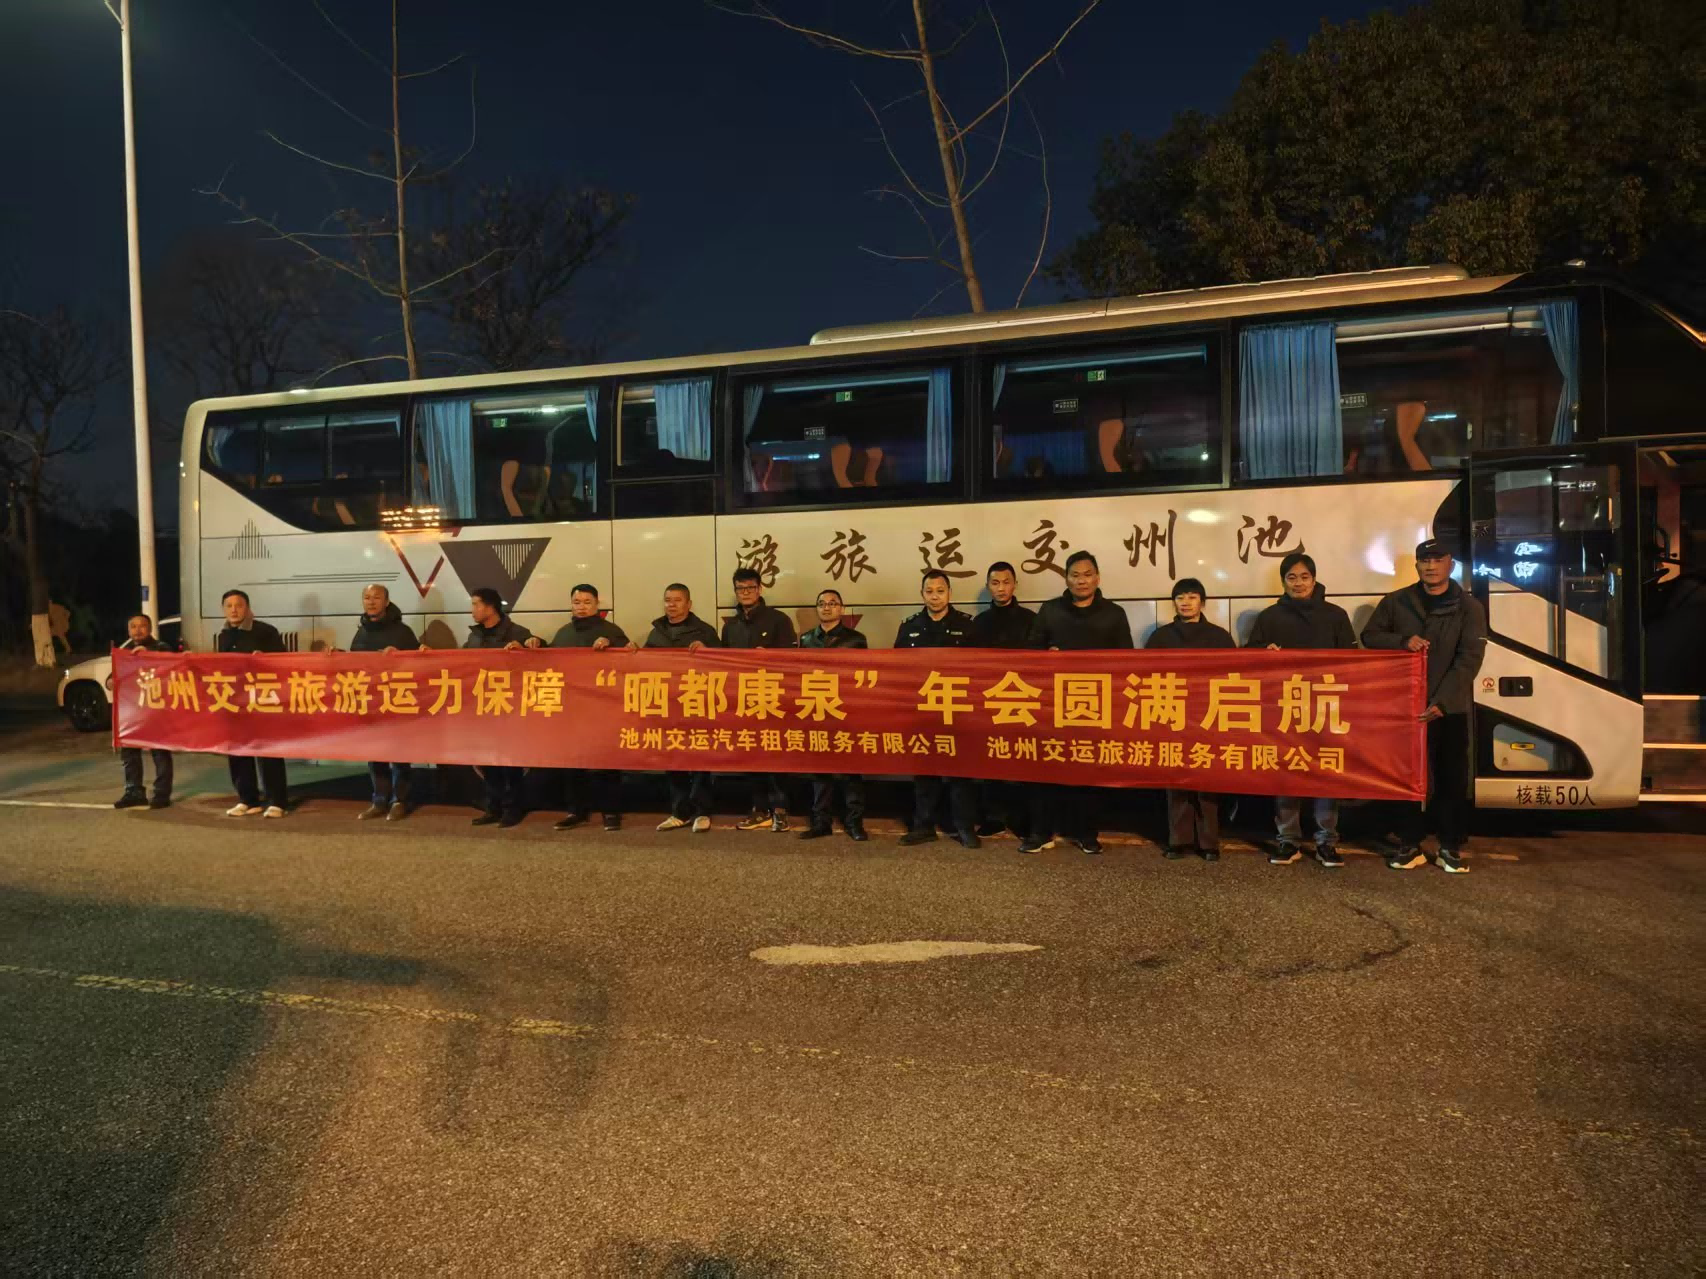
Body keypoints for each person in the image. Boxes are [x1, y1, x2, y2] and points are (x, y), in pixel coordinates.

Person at [1361, 538, 1487, 874]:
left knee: (1451, 779)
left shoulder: (1469, 607)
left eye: (1437, 559)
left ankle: (1449, 846)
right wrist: (1402, 641)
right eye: (1424, 560)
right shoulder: (1397, 601)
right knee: (1407, 777)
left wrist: (1442, 701)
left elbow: (1469, 659)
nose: (1430, 566)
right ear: (1416, 566)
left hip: (1449, 709)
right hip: (1405, 709)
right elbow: (1370, 636)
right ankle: (1409, 843)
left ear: (1450, 564)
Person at [1246, 551, 1359, 868]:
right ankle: (1288, 840)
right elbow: (1250, 655)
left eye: (1304, 577)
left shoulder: (1335, 615)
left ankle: (1326, 842)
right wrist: (1264, 651)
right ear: (1283, 582)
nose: (1298, 583)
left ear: (1314, 579)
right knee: (1287, 772)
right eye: (1291, 577)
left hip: (1326, 706)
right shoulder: (1270, 617)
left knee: (1326, 773)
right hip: (1285, 707)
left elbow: (1354, 661)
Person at [1023, 550, 1134, 855]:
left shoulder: (1114, 614)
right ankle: (1041, 832)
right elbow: (1030, 654)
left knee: (1088, 770)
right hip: (1053, 704)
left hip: (1094, 704)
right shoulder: (1050, 611)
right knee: (1046, 768)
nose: (1081, 581)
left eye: (1087, 575)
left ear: (1097, 578)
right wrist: (1046, 656)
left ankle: (1086, 833)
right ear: (1066, 578)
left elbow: (1126, 660)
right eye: (1075, 575)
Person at [1146, 577, 1236, 861]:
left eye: (1192, 597)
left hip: (1209, 715)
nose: (1185, 602)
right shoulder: (1160, 637)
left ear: (1202, 602)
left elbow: (1235, 675)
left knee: (1207, 779)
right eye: (1180, 597)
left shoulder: (1219, 637)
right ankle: (1178, 840)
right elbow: (1146, 674)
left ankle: (1209, 842)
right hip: (1172, 715)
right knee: (1175, 779)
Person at [894, 570, 979, 848]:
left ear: (949, 593)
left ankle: (964, 827)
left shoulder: (967, 626)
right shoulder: (909, 627)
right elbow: (896, 667)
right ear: (922, 594)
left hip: (957, 708)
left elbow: (981, 668)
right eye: (929, 591)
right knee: (924, 770)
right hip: (923, 709)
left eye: (940, 591)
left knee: (960, 772)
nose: (935, 596)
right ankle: (923, 826)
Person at [538, 584, 629, 832]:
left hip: (602, 708)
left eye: (587, 602)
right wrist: (535, 644)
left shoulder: (611, 631)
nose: (582, 607)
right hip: (572, 708)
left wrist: (611, 645)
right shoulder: (564, 633)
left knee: (606, 761)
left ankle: (611, 811)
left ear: (597, 604)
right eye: (577, 602)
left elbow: (629, 658)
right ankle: (576, 811)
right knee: (572, 762)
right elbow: (549, 663)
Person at [723, 566, 798, 832]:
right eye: (740, 589)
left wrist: (769, 657)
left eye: (750, 588)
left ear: (760, 589)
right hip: (744, 700)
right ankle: (759, 809)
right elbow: (722, 663)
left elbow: (793, 660)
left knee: (775, 755)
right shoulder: (730, 626)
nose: (746, 593)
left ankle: (780, 810)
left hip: (773, 699)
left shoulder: (779, 620)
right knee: (751, 755)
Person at [967, 561, 1037, 839]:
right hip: (990, 700)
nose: (1001, 588)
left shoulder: (1031, 620)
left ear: (1015, 585)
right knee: (991, 758)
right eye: (995, 583)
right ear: (988, 587)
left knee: (1021, 759)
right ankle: (993, 817)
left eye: (1006, 582)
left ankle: (1021, 818)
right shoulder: (979, 623)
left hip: (1022, 699)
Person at [644, 583, 721, 833]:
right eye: (668, 600)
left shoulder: (705, 632)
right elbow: (643, 667)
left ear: (689, 604)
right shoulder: (656, 633)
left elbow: (724, 665)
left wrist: (708, 652)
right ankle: (680, 812)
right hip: (668, 705)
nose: (672, 605)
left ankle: (702, 811)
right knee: (673, 757)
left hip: (697, 703)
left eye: (677, 600)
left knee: (700, 759)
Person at [797, 588, 869, 842]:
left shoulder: (856, 640)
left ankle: (854, 822)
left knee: (851, 770)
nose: (827, 607)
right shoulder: (806, 639)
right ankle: (821, 822)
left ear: (841, 608)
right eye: (822, 603)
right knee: (819, 770)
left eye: (832, 603)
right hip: (817, 710)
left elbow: (864, 676)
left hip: (846, 710)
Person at [460, 587, 534, 827]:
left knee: (510, 761)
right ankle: (493, 806)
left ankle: (513, 808)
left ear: (490, 607)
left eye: (475, 604)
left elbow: (537, 656)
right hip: (483, 707)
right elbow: (459, 662)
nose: (472, 610)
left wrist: (529, 646)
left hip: (509, 707)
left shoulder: (517, 633)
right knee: (488, 760)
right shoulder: (474, 637)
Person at [344, 583, 418, 822]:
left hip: (397, 701)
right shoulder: (361, 632)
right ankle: (379, 800)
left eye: (376, 597)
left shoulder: (402, 632)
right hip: (371, 702)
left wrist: (400, 657)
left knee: (399, 753)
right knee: (375, 753)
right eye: (366, 597)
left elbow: (420, 664)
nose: (371, 602)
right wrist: (337, 656)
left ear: (386, 602)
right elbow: (353, 665)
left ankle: (400, 800)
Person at [216, 589, 289, 818]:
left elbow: (284, 662)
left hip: (263, 701)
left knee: (268, 752)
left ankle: (277, 801)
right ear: (223, 610)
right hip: (236, 702)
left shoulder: (266, 631)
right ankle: (248, 799)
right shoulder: (223, 635)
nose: (234, 610)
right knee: (238, 751)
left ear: (247, 608)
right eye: (229, 606)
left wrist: (265, 659)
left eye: (238, 605)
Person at [113, 613, 173, 811]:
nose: (137, 630)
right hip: (132, 711)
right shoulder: (124, 653)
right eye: (133, 626)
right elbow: (114, 677)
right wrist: (112, 681)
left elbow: (171, 666)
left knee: (159, 751)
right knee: (129, 751)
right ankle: (134, 792)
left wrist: (147, 654)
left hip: (156, 710)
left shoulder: (162, 647)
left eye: (142, 626)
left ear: (150, 629)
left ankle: (162, 794)